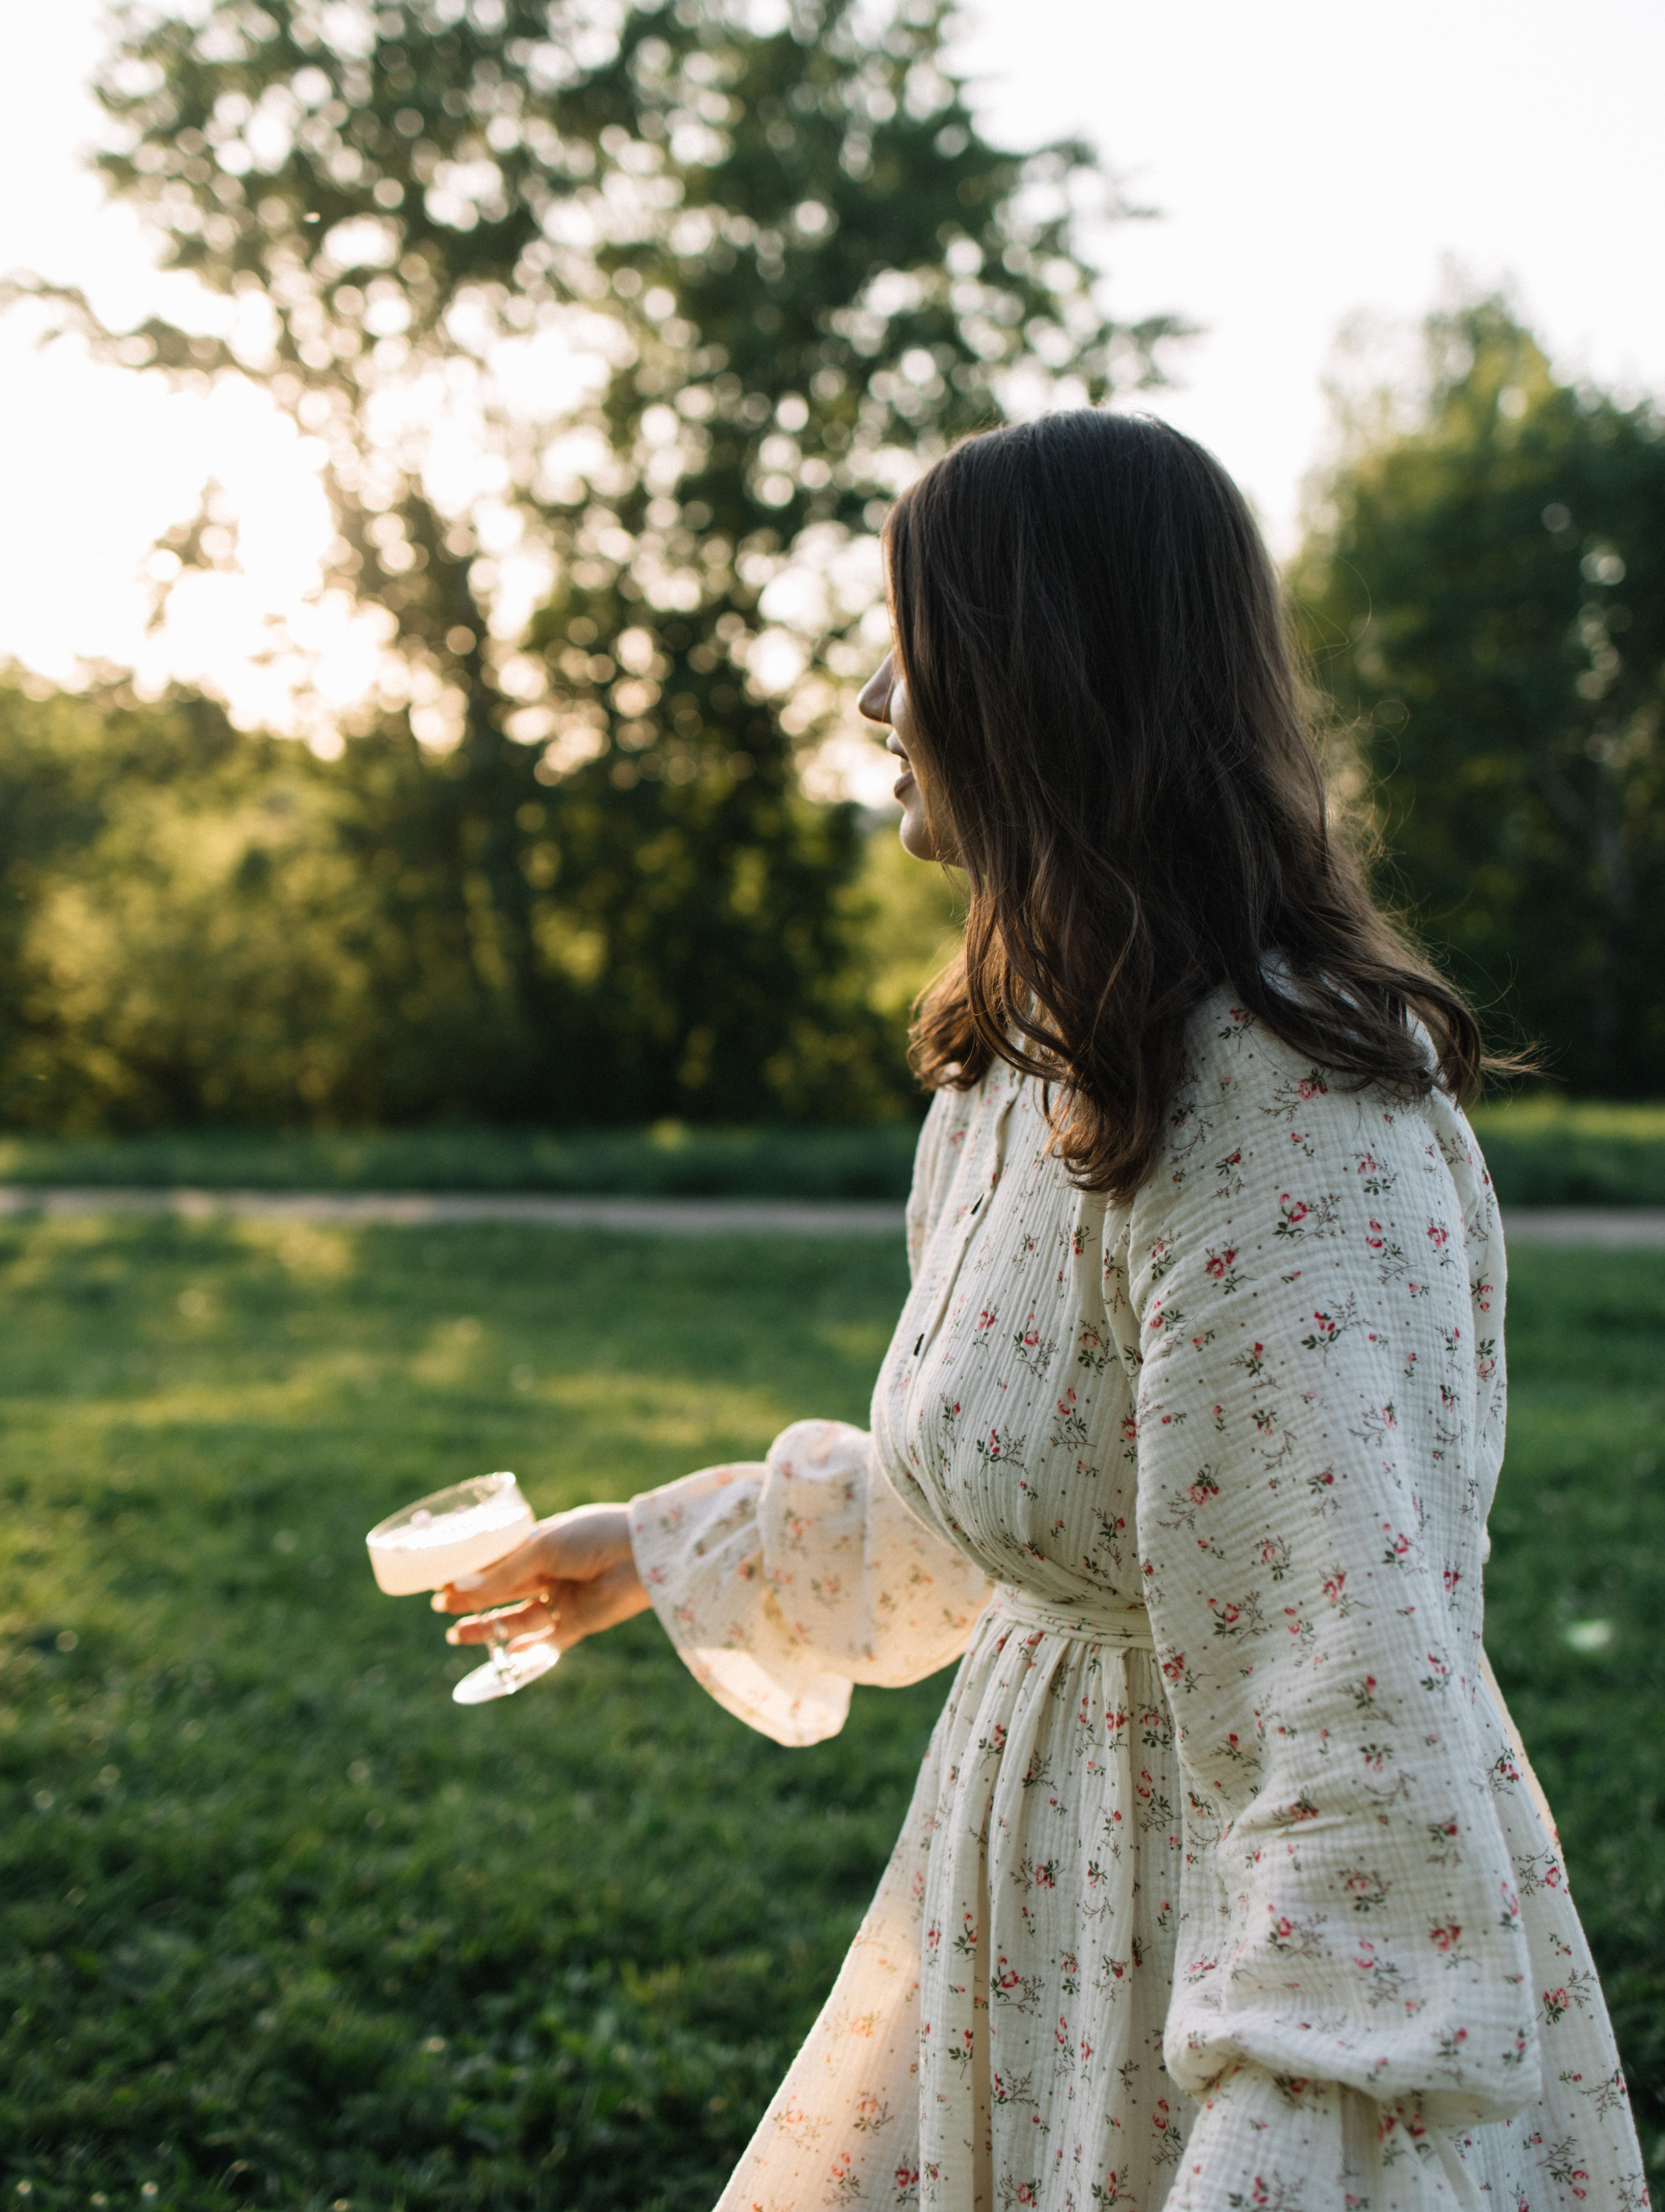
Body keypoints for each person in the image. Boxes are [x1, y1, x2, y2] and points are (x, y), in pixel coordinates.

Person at [434, 413, 1648, 2211]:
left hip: (1233, 1942)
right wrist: (654, 1543)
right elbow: (983, 1516)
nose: (871, 701)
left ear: (1040, 676)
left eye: (909, 645)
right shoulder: (1026, 1066)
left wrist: (1273, 2148)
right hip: (1034, 1888)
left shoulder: (1291, 1117)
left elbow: (1353, 1715)